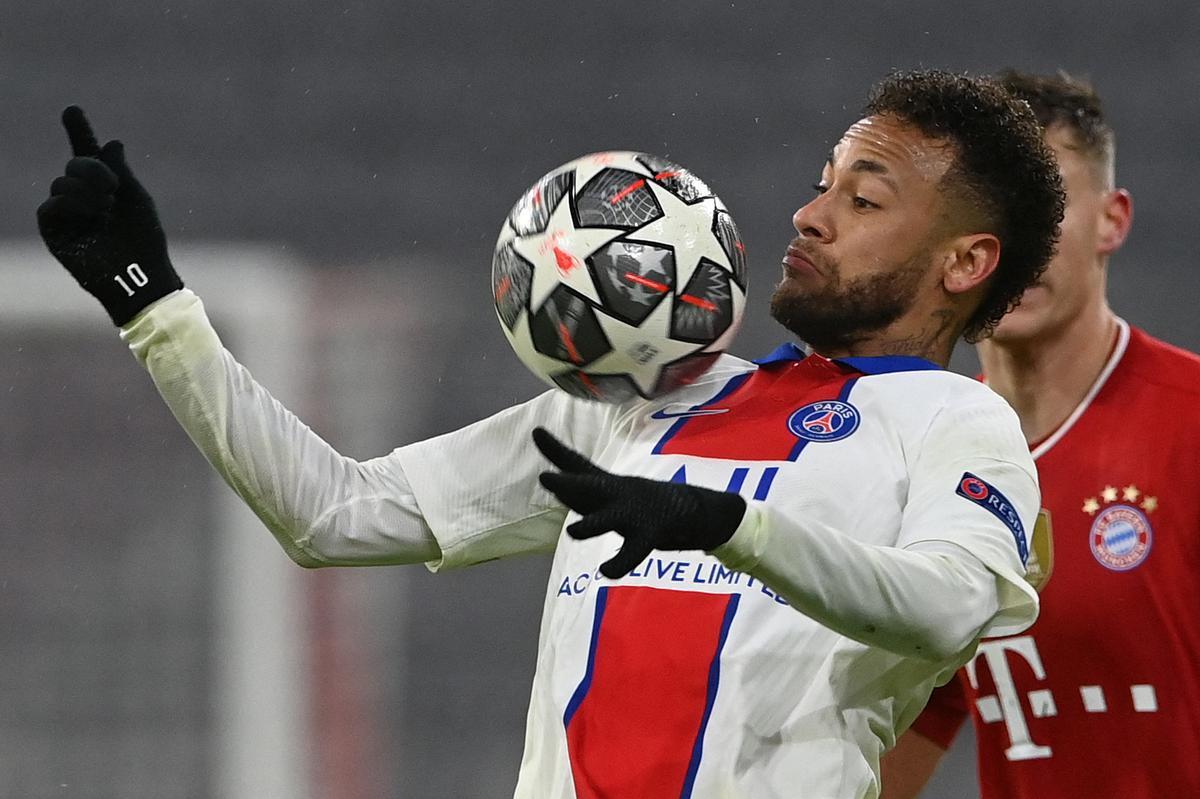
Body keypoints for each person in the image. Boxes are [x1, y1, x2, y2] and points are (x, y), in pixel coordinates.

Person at [36, 69, 1064, 799]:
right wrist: (152, 303)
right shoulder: (642, 398)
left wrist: (726, 524)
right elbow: (335, 515)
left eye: (863, 197)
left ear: (966, 262)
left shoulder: (960, 425)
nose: (809, 215)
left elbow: (944, 607)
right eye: (822, 180)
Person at [880, 70, 1200, 798]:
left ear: (1112, 219)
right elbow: (905, 727)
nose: (1017, 243)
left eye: (1045, 206)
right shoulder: (927, 466)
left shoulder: (1189, 423)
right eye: (987, 209)